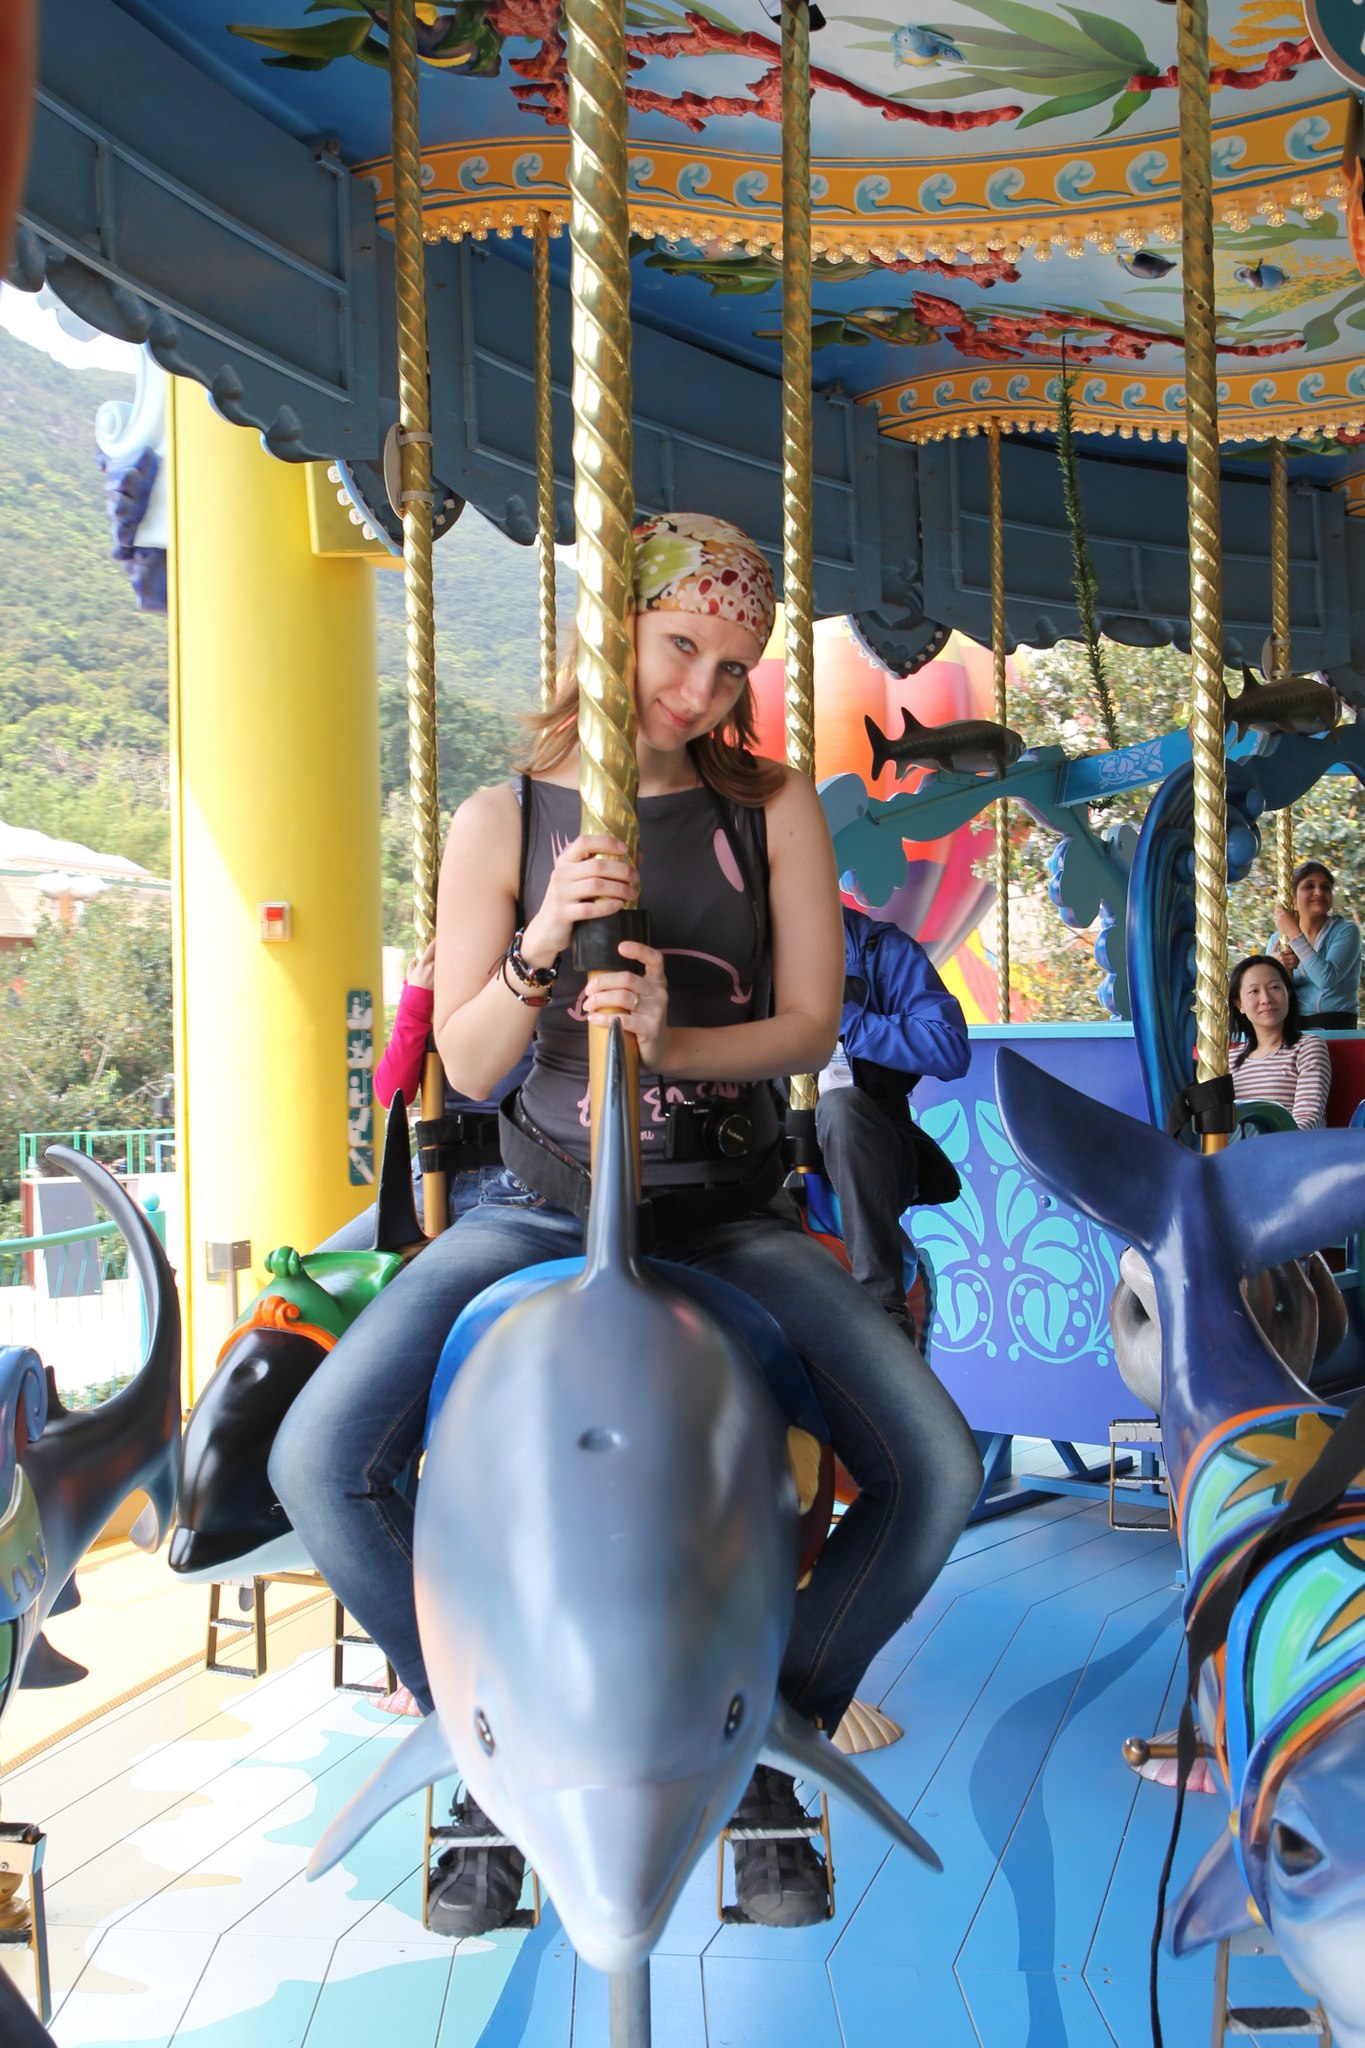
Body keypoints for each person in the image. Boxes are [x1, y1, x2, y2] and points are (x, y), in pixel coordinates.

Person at [270, 512, 982, 1938]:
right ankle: (482, 1749)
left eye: (732, 668)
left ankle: (775, 1730)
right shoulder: (501, 822)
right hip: (538, 1211)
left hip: (724, 1215)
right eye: (680, 647)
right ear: (615, 631)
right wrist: (541, 945)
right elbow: (472, 1065)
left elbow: (808, 1025)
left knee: (937, 1470)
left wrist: (669, 1036)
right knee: (319, 1460)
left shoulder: (769, 809)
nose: (701, 690)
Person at [319, 938, 532, 1251]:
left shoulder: (533, 978)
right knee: (321, 1271)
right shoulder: (443, 982)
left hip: (515, 1175)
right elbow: (392, 1093)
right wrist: (416, 1002)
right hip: (432, 1173)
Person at [814, 906, 969, 1333]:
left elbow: (951, 1048)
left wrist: (848, 1022)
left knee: (842, 1108)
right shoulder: (751, 952)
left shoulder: (881, 950)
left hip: (870, 1133)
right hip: (779, 1137)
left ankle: (881, 1304)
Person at [1229, 953, 1331, 1129]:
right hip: (1241, 1144)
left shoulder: (1307, 1048)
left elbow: (1308, 1119)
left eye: (1274, 987)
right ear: (1240, 1004)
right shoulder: (1230, 1059)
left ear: (1288, 994)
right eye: (1254, 991)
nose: (1266, 999)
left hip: (1290, 1143)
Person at [1268, 858, 1361, 1030]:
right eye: (1309, 886)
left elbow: (1326, 978)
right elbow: (1269, 993)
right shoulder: (1277, 940)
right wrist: (1275, 967)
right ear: (1293, 897)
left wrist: (1294, 933)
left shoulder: (1345, 931)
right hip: (1292, 1025)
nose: (1318, 892)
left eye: (1325, 887)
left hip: (1336, 1025)